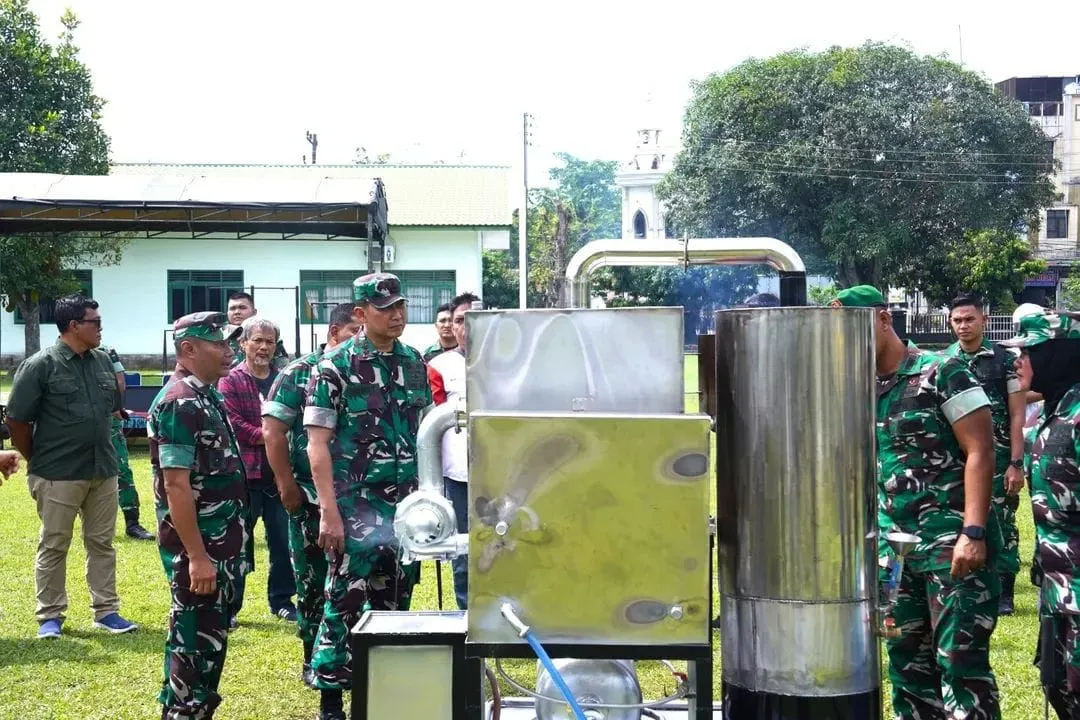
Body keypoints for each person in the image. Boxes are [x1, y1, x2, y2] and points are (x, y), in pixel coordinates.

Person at [831, 285, 1001, 720]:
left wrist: (974, 531)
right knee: (906, 664)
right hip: (895, 555)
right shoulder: (857, 389)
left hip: (951, 547)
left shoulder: (942, 371)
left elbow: (981, 449)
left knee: (959, 665)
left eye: (854, 327)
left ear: (884, 319)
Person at [303, 272, 432, 720]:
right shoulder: (334, 366)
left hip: (405, 509)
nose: (397, 315)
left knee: (397, 598)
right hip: (354, 506)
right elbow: (316, 444)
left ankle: (386, 691)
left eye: (401, 306)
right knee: (344, 600)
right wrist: (328, 513)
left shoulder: (415, 362)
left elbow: (427, 435)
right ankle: (332, 699)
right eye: (385, 308)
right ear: (360, 314)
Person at [5, 294, 138, 639]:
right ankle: (50, 616)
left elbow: (110, 410)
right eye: (94, 321)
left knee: (102, 543)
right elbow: (17, 421)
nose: (101, 326)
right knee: (54, 543)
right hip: (57, 473)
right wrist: (39, 460)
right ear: (74, 325)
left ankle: (106, 611)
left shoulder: (102, 362)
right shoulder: (40, 365)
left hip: (102, 469)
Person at [147, 311, 250, 719]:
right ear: (188, 350)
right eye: (218, 344)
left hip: (223, 544)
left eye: (228, 343)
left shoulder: (207, 395)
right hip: (201, 550)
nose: (228, 351)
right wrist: (197, 557)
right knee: (191, 646)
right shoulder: (179, 403)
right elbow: (176, 485)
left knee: (210, 644)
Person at [262, 303, 362, 692]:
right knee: (314, 582)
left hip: (362, 501)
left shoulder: (366, 371)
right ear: (334, 332)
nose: (359, 338)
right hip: (310, 500)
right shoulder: (301, 372)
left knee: (357, 586)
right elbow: (272, 431)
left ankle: (356, 659)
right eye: (353, 331)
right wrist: (286, 485)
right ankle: (313, 660)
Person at [1002, 310, 1080, 718]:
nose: (1019, 362)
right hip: (1058, 593)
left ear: (1057, 356)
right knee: (1059, 686)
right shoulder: (1054, 414)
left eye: (1028, 353)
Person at [942, 294, 1027, 615]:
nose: (963, 326)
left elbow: (1018, 414)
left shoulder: (1004, 359)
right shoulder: (944, 361)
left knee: (1003, 521)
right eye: (957, 320)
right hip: (957, 460)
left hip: (1000, 457)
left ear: (984, 321)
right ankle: (965, 580)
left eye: (969, 319)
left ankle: (1004, 589)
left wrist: (1016, 463)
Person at [219, 316, 297, 626]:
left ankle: (282, 600)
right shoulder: (232, 380)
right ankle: (231, 607)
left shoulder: (284, 379)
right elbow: (231, 421)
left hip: (278, 478)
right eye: (258, 341)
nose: (264, 347)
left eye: (270, 341)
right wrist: (268, 436)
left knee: (283, 543)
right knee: (238, 545)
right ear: (243, 344)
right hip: (245, 478)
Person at [426, 291, 479, 610]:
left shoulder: (510, 359)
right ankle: (466, 616)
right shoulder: (439, 366)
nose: (466, 326)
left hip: (504, 472)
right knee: (462, 549)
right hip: (458, 473)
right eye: (460, 320)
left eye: (474, 318)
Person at [100, 343, 154, 541]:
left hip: (109, 421)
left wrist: (114, 406)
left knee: (122, 472)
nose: (99, 329)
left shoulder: (106, 351)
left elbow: (120, 381)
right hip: (80, 423)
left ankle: (132, 522)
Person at [225, 291, 291, 370]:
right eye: (232, 308)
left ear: (254, 312)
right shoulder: (220, 339)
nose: (237, 312)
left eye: (242, 307)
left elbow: (283, 370)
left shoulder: (270, 338)